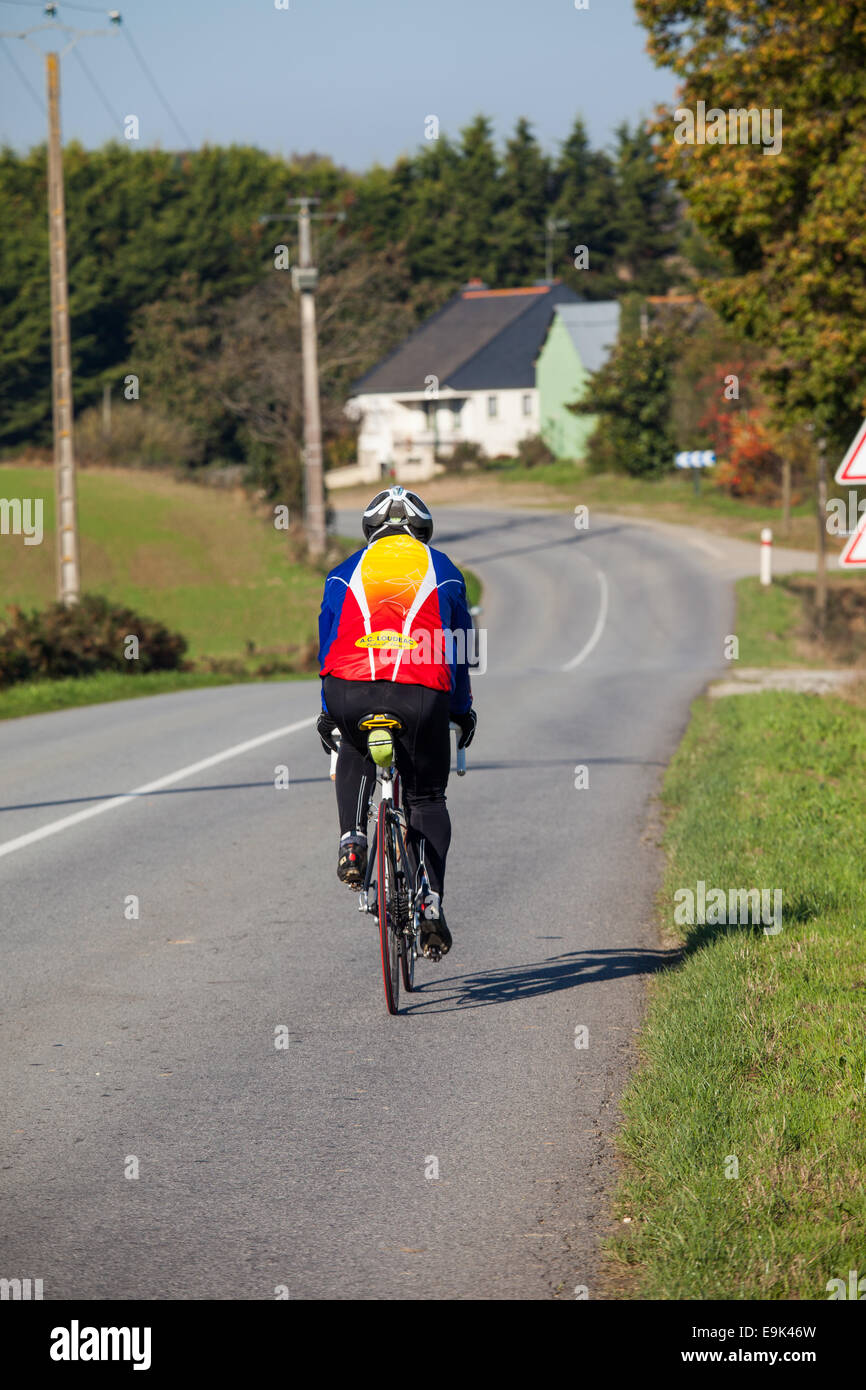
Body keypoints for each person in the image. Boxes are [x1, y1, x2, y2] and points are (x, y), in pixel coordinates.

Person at [316, 486, 477, 958]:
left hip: (350, 687)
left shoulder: (343, 572)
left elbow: (327, 649)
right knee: (427, 796)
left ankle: (352, 837)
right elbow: (463, 649)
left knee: (355, 742)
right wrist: (461, 709)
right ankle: (429, 901)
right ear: (422, 532)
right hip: (421, 689)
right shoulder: (443, 569)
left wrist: (329, 713)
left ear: (371, 533)